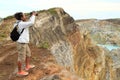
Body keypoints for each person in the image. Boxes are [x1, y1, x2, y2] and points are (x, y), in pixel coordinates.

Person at [14, 11, 37, 76]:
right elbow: (31, 23)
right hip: (21, 44)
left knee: (28, 54)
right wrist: (33, 15)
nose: (25, 16)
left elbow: (28, 23)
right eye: (24, 16)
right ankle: (20, 72)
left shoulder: (19, 23)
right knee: (21, 58)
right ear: (21, 17)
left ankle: (27, 66)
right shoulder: (21, 24)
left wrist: (31, 16)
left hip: (24, 43)